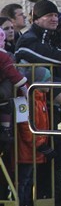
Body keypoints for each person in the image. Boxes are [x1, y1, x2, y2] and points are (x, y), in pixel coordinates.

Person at [0, 27, 27, 156]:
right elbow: (14, 75)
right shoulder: (3, 56)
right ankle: (5, 130)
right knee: (6, 104)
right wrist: (26, 89)